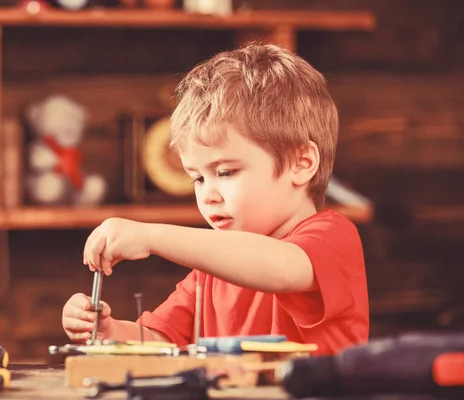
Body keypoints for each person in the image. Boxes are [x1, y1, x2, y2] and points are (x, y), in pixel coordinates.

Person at [61, 43, 369, 355]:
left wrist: (151, 235)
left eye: (225, 172)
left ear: (301, 163)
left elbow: (281, 267)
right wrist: (107, 330)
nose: (207, 195)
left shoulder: (333, 239)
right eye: (197, 178)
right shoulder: (211, 269)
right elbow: (163, 340)